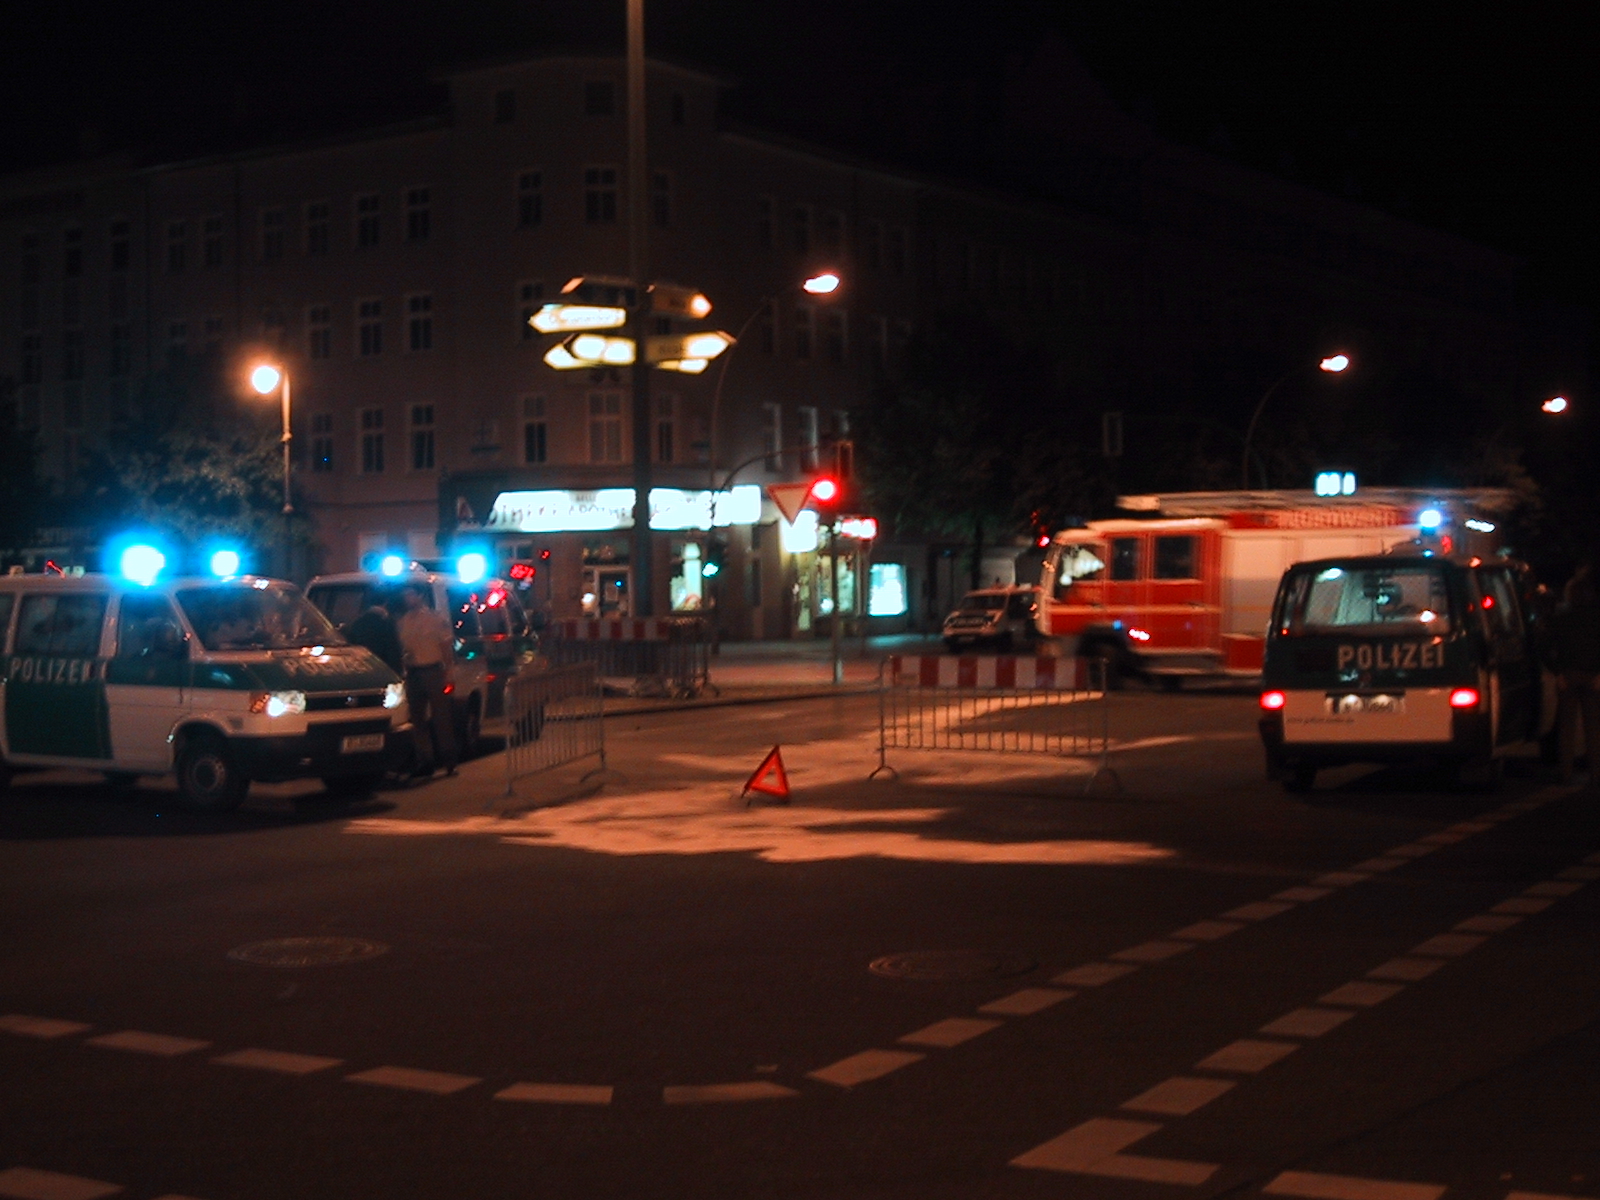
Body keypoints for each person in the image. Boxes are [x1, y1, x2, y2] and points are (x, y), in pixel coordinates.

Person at [396, 584, 458, 777]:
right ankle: (425, 759)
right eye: (405, 595)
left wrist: (448, 672)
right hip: (413, 672)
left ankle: (449, 759)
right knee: (417, 719)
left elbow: (446, 645)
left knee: (441, 717)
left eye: (411, 594)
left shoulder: (435, 619)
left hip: (433, 670)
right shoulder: (403, 622)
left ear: (421, 596)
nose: (408, 599)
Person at [1551, 559, 1600, 784]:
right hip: (1592, 674)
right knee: (1593, 726)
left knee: (1567, 727)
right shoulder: (1595, 617)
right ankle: (1595, 772)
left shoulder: (1561, 616)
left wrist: (1557, 671)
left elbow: (1548, 645)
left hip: (1568, 674)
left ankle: (1566, 771)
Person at [345, 598, 403, 675]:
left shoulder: (358, 623)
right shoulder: (386, 624)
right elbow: (393, 649)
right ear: (385, 604)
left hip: (360, 667)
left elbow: (351, 644)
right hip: (382, 667)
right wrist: (397, 671)